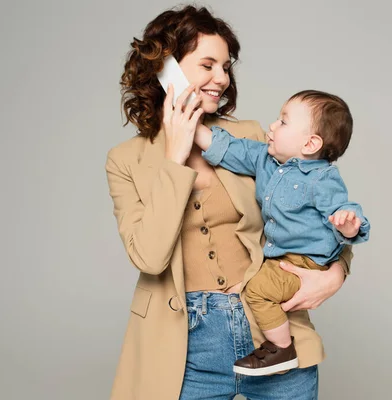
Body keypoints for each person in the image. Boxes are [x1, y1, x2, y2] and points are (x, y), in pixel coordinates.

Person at [106, 5, 354, 399]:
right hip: (184, 348)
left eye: (226, 66)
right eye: (208, 65)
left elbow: (323, 209)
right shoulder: (126, 161)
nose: (221, 78)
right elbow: (150, 258)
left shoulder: (256, 141)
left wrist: (336, 271)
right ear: (165, 67)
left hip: (271, 333)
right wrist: (175, 155)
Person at [193, 90, 370, 376]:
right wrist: (191, 127)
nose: (272, 126)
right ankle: (278, 343)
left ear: (311, 143)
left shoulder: (322, 178)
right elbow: (228, 148)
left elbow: (344, 208)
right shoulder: (265, 159)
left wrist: (349, 225)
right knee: (257, 281)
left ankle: (280, 348)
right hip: (279, 255)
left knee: (258, 290)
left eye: (283, 122)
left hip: (306, 260)